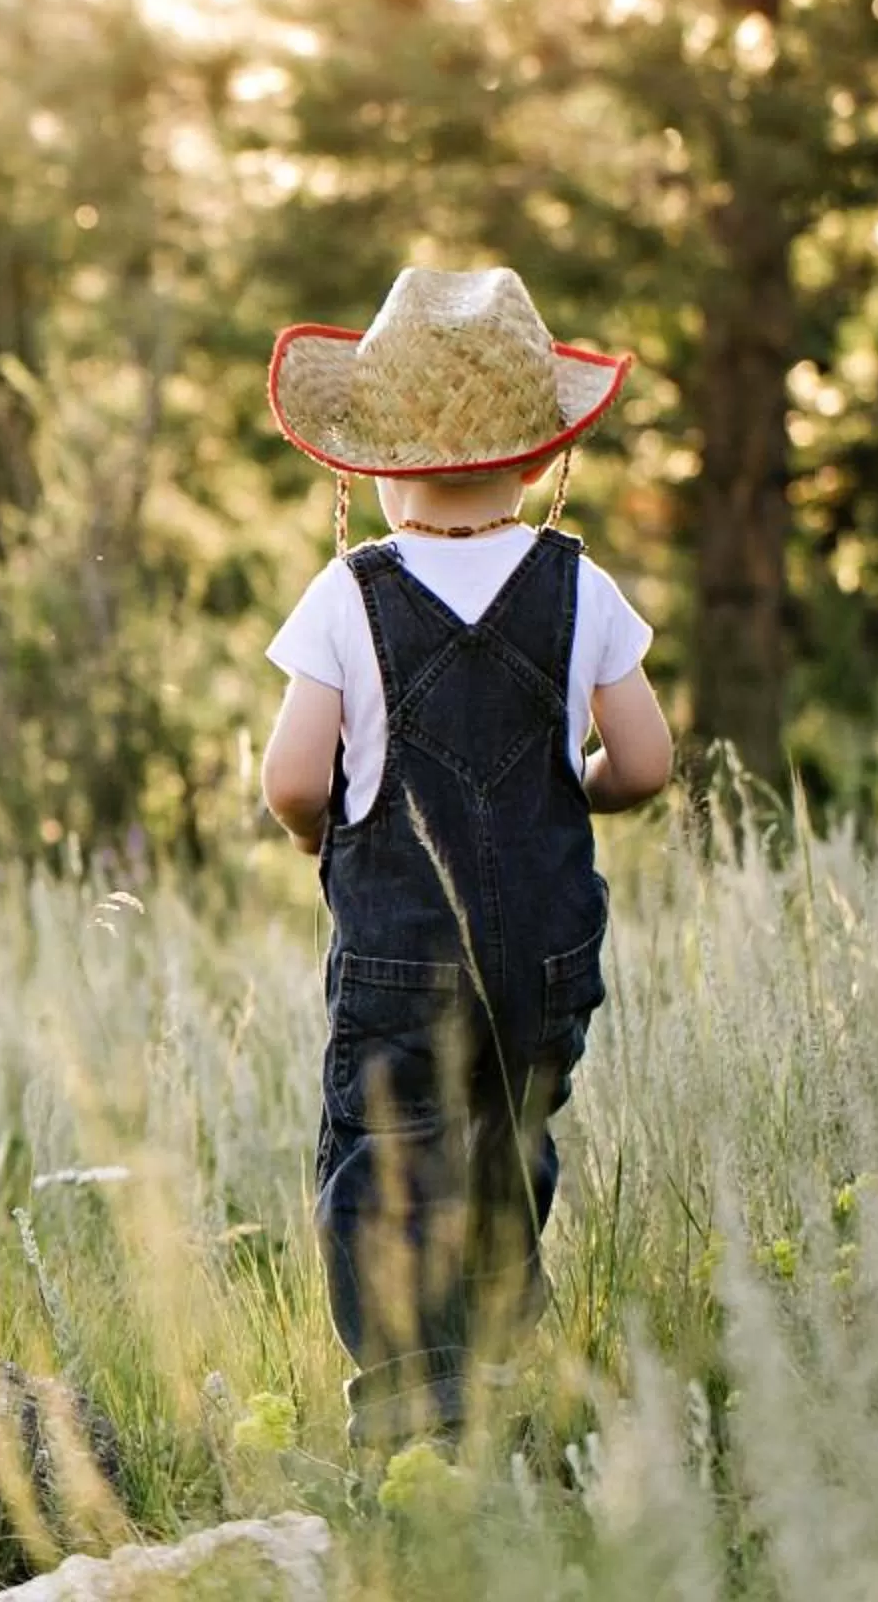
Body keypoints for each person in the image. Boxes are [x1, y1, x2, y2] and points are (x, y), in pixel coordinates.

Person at [256, 265, 674, 1449]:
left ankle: (413, 1405)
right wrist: (582, 784)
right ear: (540, 460)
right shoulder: (580, 583)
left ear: (378, 467)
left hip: (400, 954)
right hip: (545, 954)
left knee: (388, 1159)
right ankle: (492, 1375)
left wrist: (319, 835)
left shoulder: (349, 593)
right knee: (505, 1142)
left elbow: (294, 777)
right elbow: (646, 761)